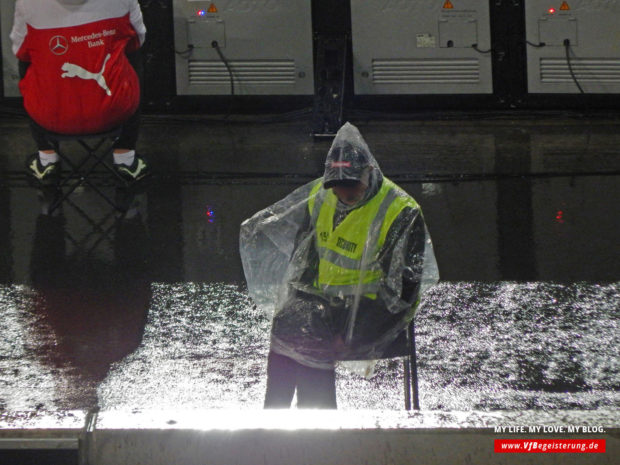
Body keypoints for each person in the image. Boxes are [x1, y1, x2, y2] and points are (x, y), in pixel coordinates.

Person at [240, 122, 439, 408]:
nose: (344, 194)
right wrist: (293, 308)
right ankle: (274, 421)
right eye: (337, 187)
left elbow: (403, 293)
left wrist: (354, 332)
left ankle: (321, 428)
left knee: (311, 338)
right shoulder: (322, 199)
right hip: (326, 303)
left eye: (351, 185)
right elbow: (303, 263)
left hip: (373, 307)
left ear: (369, 172)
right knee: (285, 328)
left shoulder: (400, 212)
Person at [10, 0, 149, 184]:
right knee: (131, 61)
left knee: (28, 67)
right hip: (114, 111)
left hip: (50, 115)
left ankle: (47, 160)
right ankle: (126, 159)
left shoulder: (27, 3)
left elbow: (21, 51)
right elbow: (137, 40)